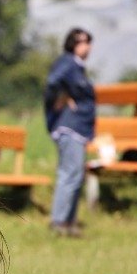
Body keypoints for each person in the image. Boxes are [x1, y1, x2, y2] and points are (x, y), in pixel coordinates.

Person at [44, 28, 96, 238]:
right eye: (83, 41)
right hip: (69, 127)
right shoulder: (68, 63)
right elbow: (51, 82)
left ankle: (69, 221)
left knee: (76, 175)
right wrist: (61, 98)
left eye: (89, 41)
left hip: (78, 128)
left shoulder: (76, 66)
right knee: (69, 174)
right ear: (72, 43)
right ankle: (59, 221)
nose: (88, 46)